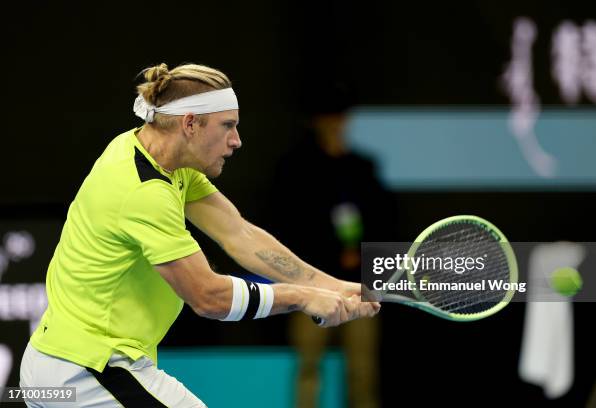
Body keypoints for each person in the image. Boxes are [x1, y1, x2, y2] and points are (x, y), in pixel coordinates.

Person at [19, 63, 379, 408]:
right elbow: (208, 297)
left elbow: (240, 235)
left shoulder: (154, 154)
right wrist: (301, 297)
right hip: (86, 370)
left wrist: (332, 286)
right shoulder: (143, 192)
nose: (237, 140)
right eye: (227, 126)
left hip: (63, 363)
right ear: (190, 124)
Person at [267, 83, 396, 408]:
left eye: (339, 117)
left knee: (363, 371)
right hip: (310, 286)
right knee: (308, 366)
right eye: (327, 118)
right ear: (315, 122)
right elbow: (283, 224)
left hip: (360, 287)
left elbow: (385, 219)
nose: (334, 124)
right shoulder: (294, 169)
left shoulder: (363, 169)